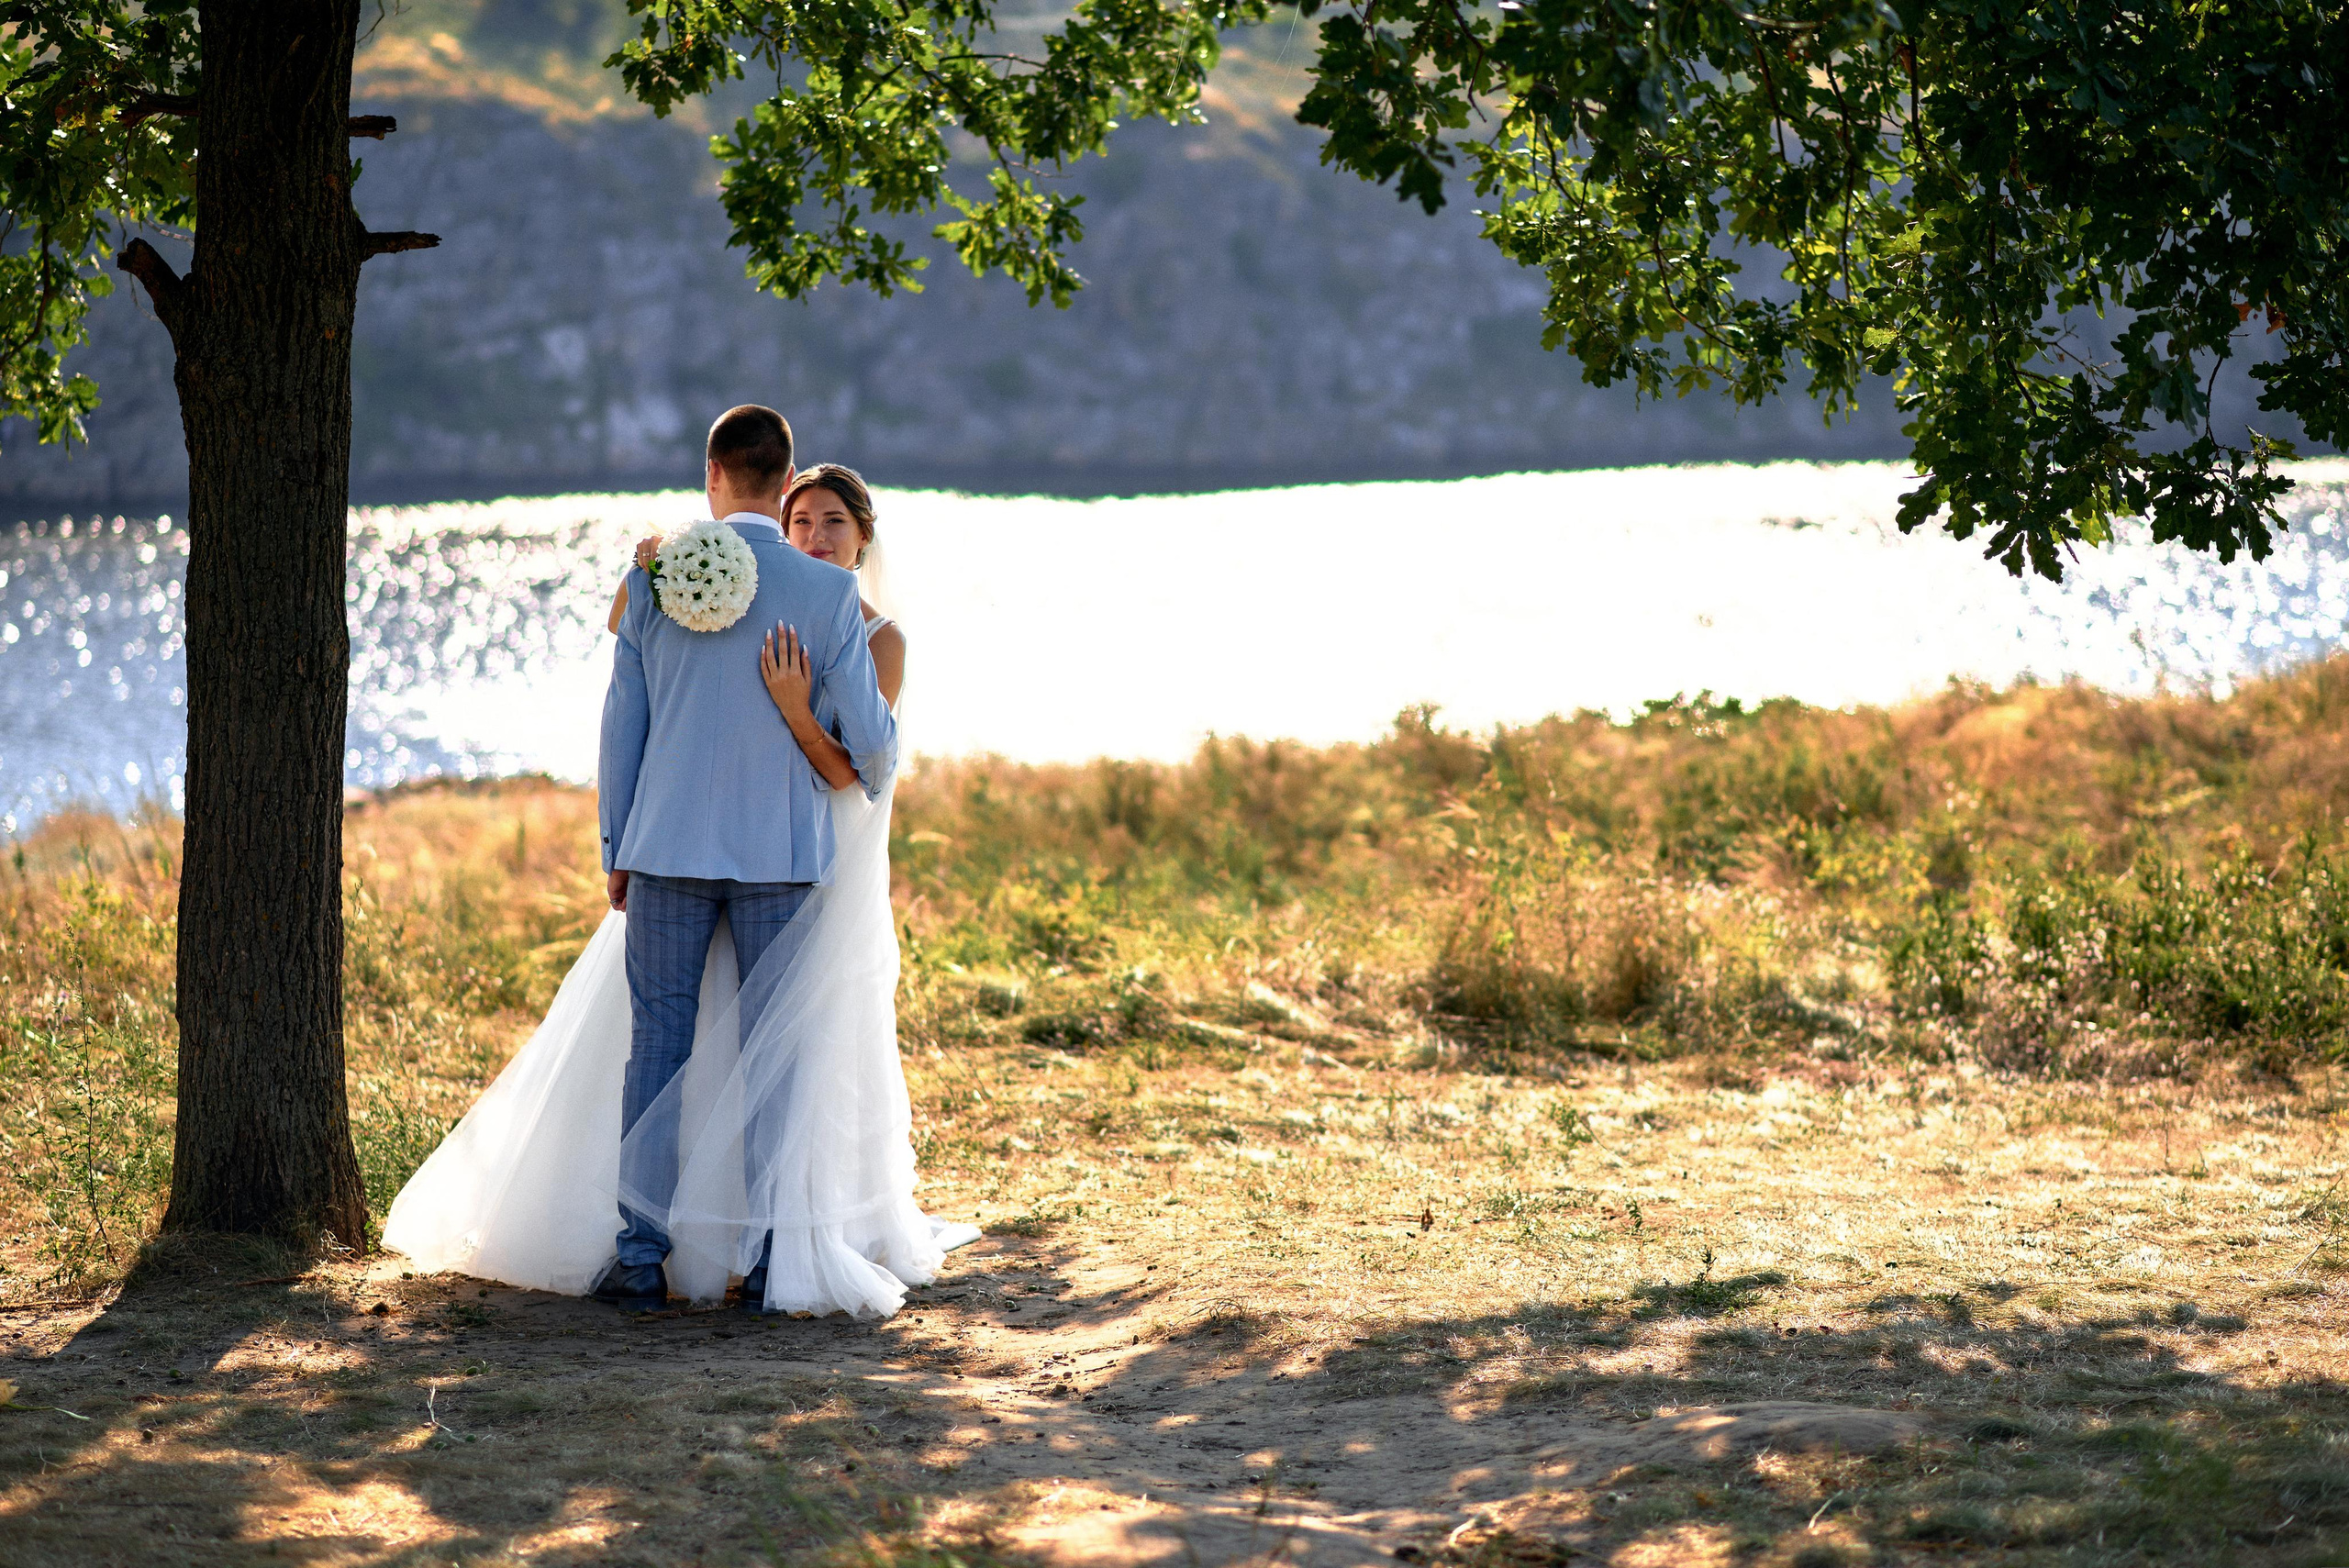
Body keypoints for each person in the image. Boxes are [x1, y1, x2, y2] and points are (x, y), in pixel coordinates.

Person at [383, 422, 974, 1318]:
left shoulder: (653, 581)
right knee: (774, 1063)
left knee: (654, 1053)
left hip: (663, 853)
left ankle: (640, 1258)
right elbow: (876, 759)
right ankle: (773, 1258)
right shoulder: (823, 592)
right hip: (782, 860)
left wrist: (616, 846)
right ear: (782, 485)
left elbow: (624, 724)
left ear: (712, 475)